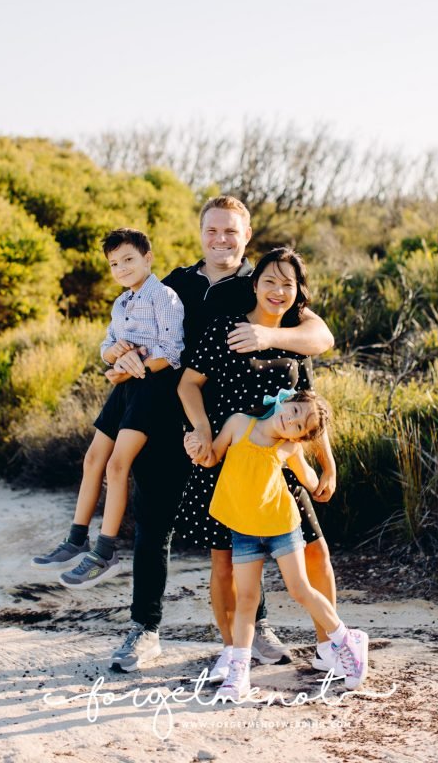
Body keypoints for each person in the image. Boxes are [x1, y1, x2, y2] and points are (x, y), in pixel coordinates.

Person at [97, 196, 335, 673]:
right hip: (170, 420)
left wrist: (271, 337)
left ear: (246, 236)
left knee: (243, 527)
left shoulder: (260, 284)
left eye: (232, 231)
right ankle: (145, 629)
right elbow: (136, 329)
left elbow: (320, 337)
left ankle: (255, 629)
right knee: (153, 522)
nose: (221, 239)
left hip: (241, 433)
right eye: (213, 230)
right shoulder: (175, 284)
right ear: (200, 233)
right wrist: (117, 356)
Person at [177, 245, 342, 682]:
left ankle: (330, 646)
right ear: (254, 283)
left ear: (297, 292)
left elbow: (311, 411)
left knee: (314, 551)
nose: (277, 290)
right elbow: (188, 385)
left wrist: (328, 465)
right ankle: (233, 654)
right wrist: (202, 431)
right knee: (224, 562)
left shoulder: (297, 336)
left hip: (282, 468)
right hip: (227, 461)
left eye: (287, 284)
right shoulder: (223, 330)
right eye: (269, 280)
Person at [190, 389, 368, 702]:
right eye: (295, 411)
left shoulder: (289, 447)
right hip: (244, 529)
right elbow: (211, 458)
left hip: (281, 527)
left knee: (300, 589)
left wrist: (322, 485)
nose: (292, 421)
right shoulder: (239, 424)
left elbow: (309, 479)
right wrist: (195, 447)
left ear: (301, 437)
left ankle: (346, 639)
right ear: (285, 401)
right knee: (246, 599)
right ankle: (239, 674)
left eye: (300, 426)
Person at [30, 228, 184, 588]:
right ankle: (76, 539)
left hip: (153, 389)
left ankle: (105, 552)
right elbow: (109, 342)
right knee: (92, 459)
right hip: (125, 388)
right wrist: (113, 356)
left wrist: (135, 366)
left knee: (118, 465)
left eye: (129, 259)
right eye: (114, 263)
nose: (122, 268)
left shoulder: (165, 297)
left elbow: (173, 351)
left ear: (148, 258)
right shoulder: (122, 302)